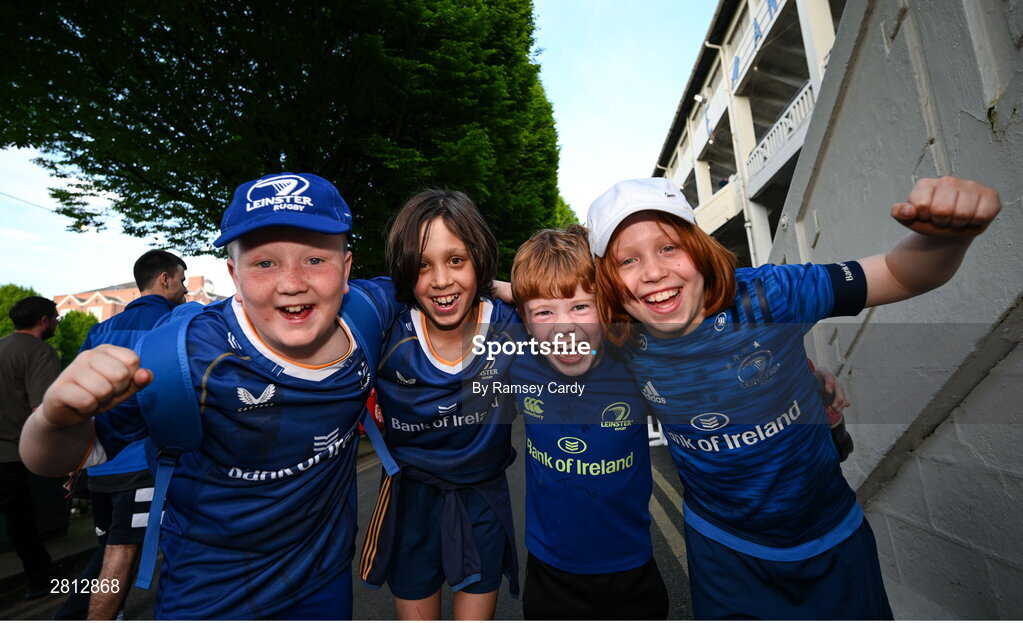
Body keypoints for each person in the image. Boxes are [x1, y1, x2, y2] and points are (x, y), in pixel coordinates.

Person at [586, 176, 1001, 619]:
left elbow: (899, 273)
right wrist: (506, 291)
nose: (653, 271)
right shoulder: (619, 339)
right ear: (609, 282)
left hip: (831, 534)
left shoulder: (770, 295)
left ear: (700, 248)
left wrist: (946, 239)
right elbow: (548, 317)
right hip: (724, 550)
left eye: (669, 247)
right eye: (627, 260)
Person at [20, 172, 400, 619]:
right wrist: (54, 417)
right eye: (264, 264)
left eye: (316, 260)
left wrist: (501, 293)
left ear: (348, 268)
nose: (292, 282)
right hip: (210, 593)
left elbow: (434, 288)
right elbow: (50, 460)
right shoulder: (181, 356)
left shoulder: (369, 312)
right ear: (234, 274)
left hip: (325, 584)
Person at [360, 189, 520, 620]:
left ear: (480, 259)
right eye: (422, 265)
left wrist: (522, 288)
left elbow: (590, 299)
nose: (441, 281)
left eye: (456, 260)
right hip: (409, 500)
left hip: (484, 495)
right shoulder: (385, 329)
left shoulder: (511, 324)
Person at [508, 225, 669, 620]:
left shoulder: (635, 362)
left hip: (631, 571)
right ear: (526, 324)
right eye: (545, 313)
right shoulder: (517, 361)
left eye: (582, 307)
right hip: (550, 576)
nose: (565, 329)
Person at [56, 250, 188, 620]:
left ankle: (77, 610)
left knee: (109, 551)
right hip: (143, 463)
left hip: (99, 464)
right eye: (181, 278)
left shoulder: (101, 329)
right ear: (164, 278)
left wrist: (75, 457)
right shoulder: (176, 324)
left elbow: (79, 395)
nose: (184, 288)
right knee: (122, 552)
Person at [0, 296, 60, 600]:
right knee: (21, 523)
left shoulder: (1, 346)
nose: (56, 323)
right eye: (56, 318)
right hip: (15, 453)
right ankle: (40, 581)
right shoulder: (41, 352)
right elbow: (43, 410)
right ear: (43, 320)